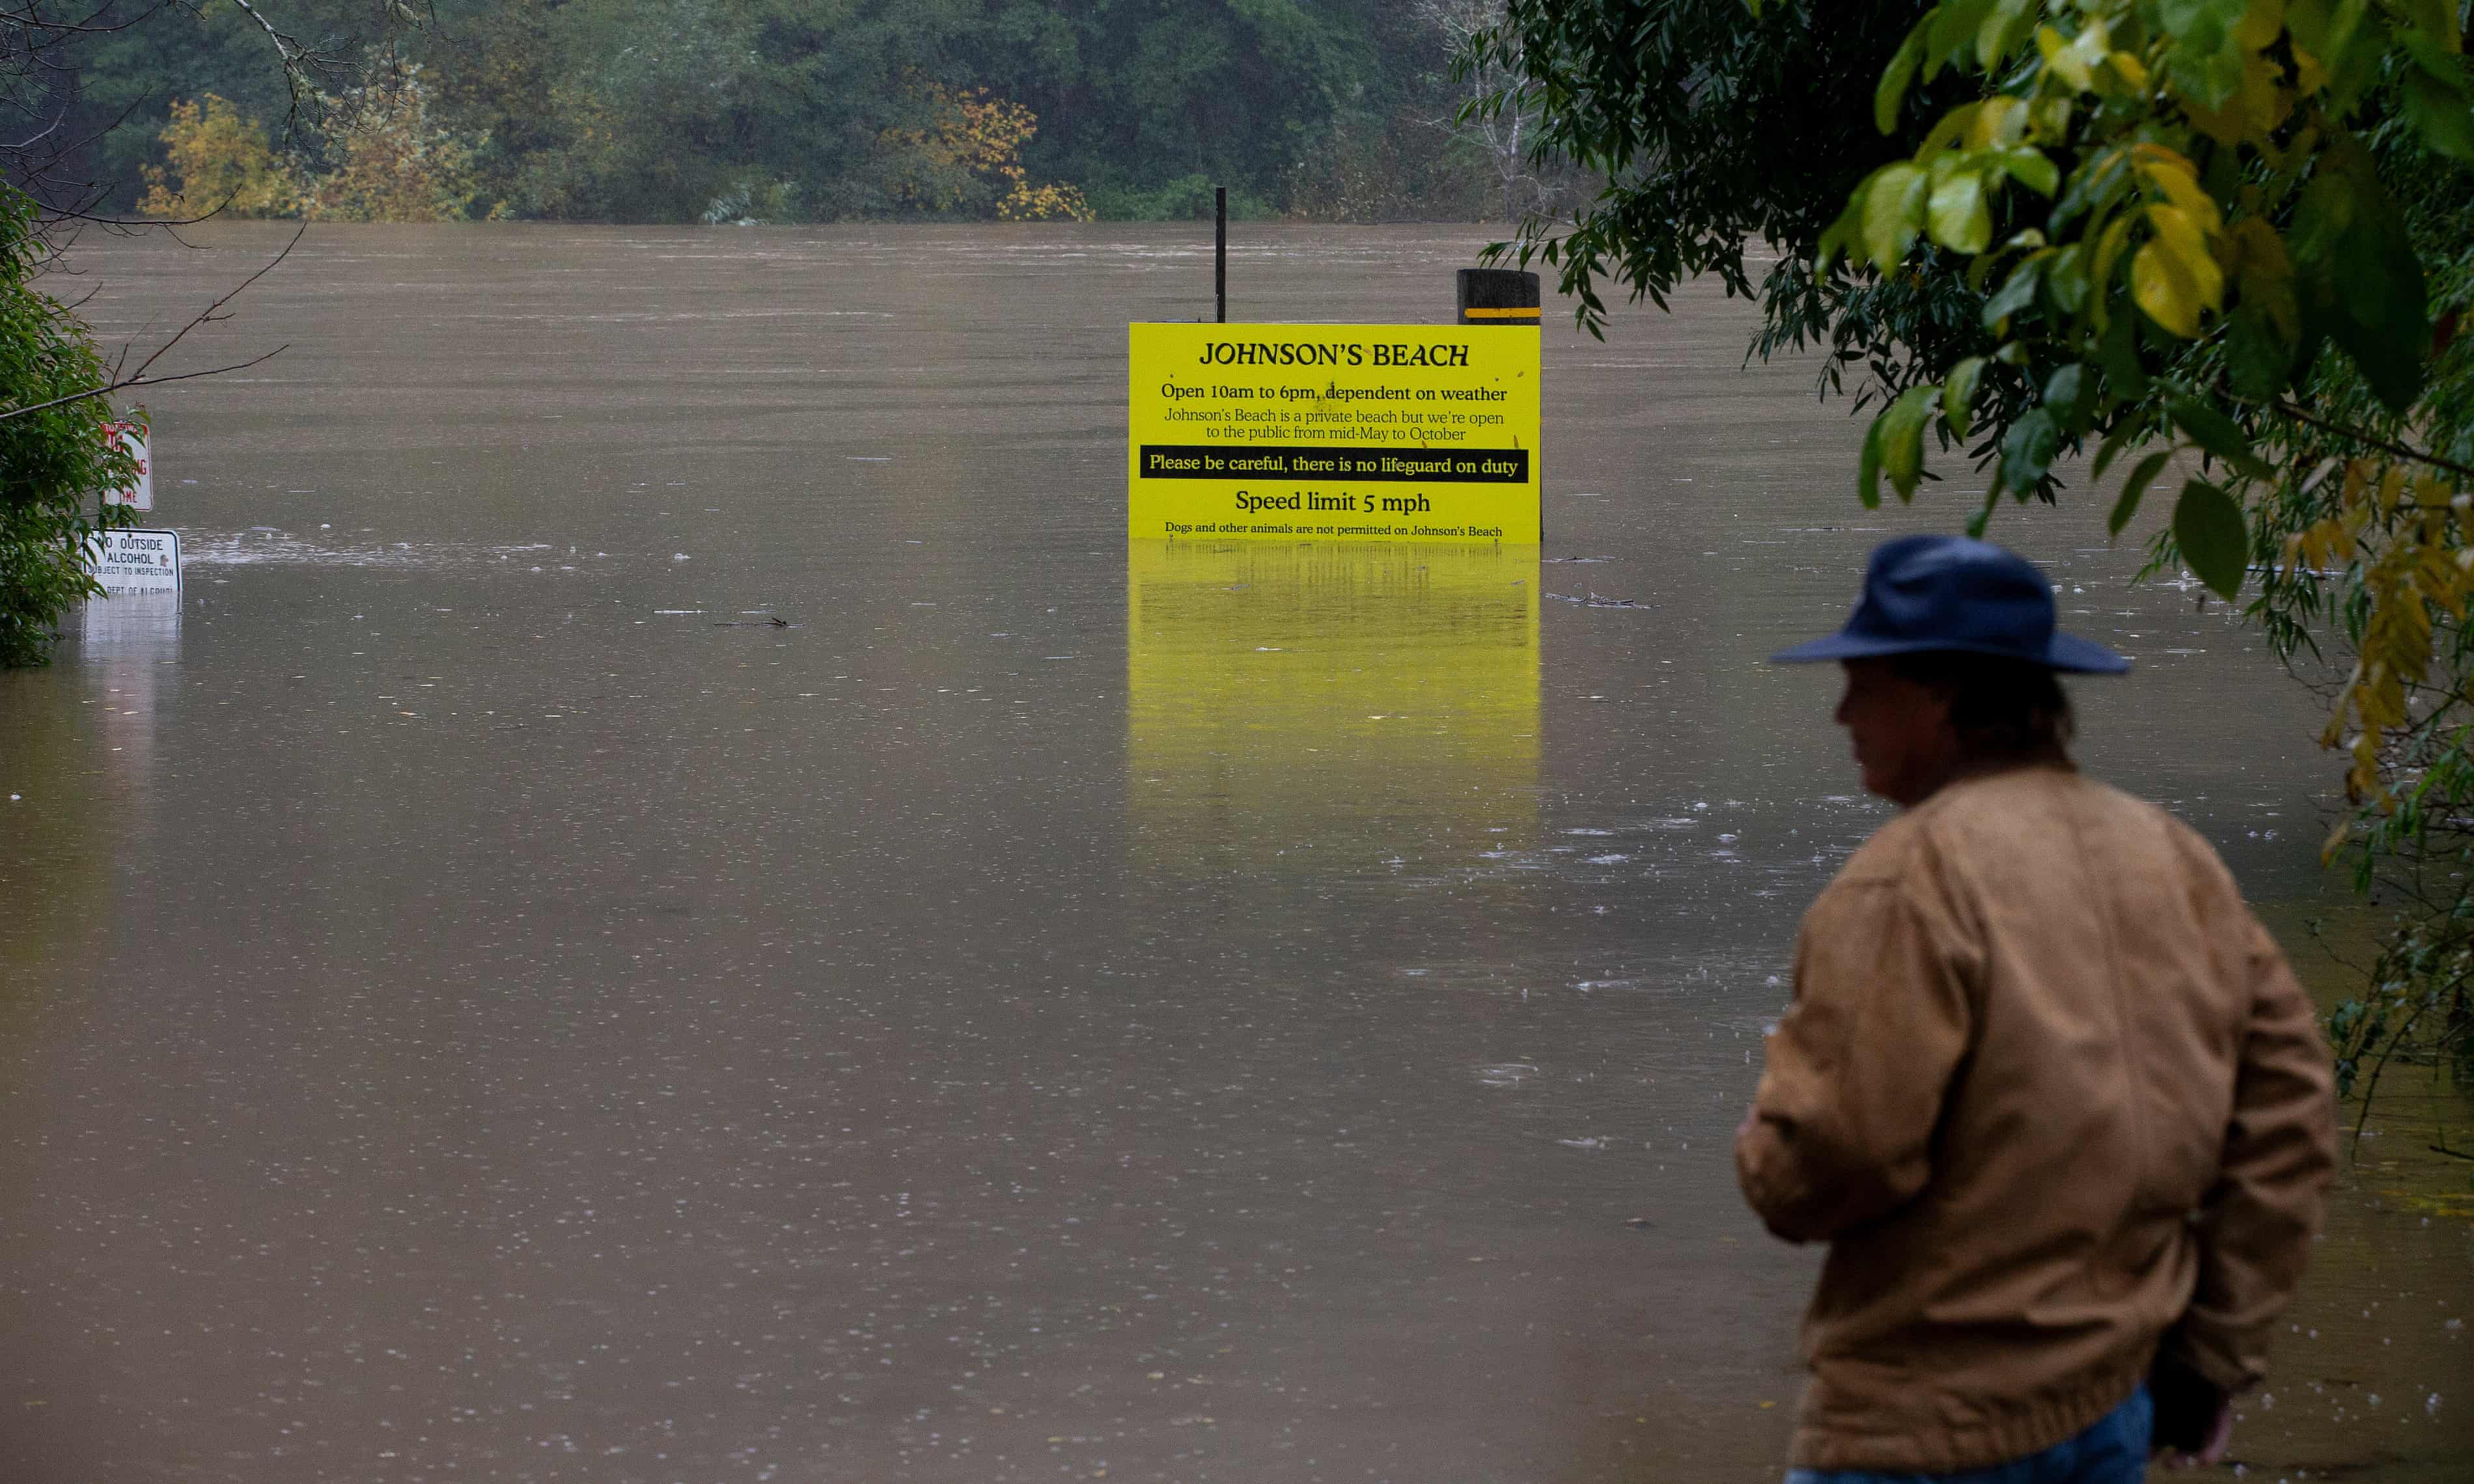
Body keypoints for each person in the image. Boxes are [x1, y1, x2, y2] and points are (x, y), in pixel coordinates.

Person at [1735, 534, 2338, 1483]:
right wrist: (2212, 1352)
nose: (1843, 712)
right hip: (2112, 1409)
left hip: (1918, 1427)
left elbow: (1830, 1161)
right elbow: (2292, 1114)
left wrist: (1766, 1142)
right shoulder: (2175, 859)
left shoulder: (1904, 883)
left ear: (1943, 698)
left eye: (1865, 683)